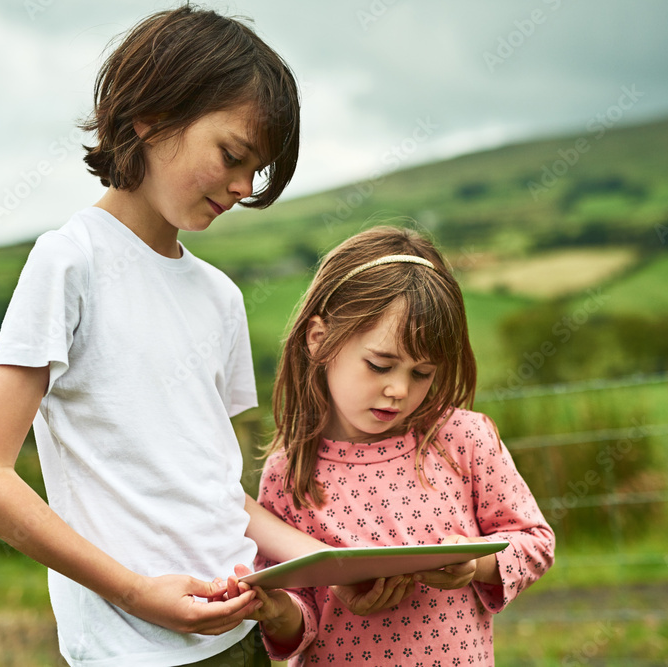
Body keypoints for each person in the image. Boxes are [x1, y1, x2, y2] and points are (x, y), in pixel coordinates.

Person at [0, 7, 401, 666]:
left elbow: (214, 491)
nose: (245, 187)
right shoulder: (70, 262)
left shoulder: (220, 298)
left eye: (259, 170)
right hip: (129, 649)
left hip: (240, 634)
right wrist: (135, 592)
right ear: (152, 116)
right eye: (233, 155)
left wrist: (335, 564)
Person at [234, 226, 556, 665]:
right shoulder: (288, 474)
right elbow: (298, 611)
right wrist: (274, 612)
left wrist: (475, 567)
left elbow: (535, 542)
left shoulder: (463, 439)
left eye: (421, 373)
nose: (398, 390)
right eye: (380, 365)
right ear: (319, 339)